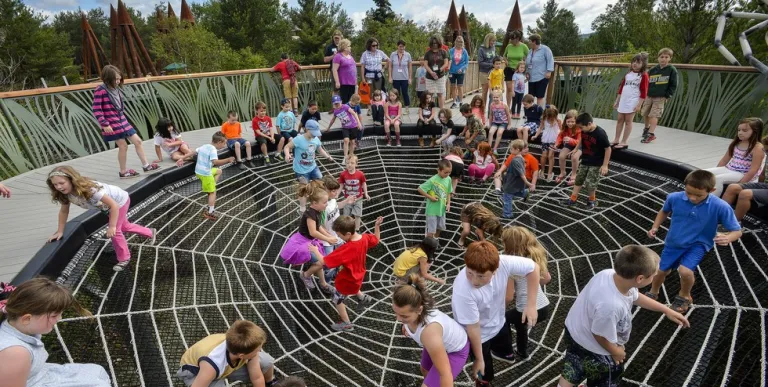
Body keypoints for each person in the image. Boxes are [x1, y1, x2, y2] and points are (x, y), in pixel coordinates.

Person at [557, 245, 690, 387]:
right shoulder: (611, 306)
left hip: (574, 333)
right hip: (597, 349)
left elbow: (635, 296)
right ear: (640, 279)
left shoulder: (608, 274)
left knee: (574, 364)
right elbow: (599, 334)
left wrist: (666, 310)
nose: (655, 276)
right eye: (654, 275)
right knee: (609, 374)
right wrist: (616, 351)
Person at [647, 169, 742, 313]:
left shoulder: (720, 206)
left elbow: (737, 231)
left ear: (712, 190)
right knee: (660, 271)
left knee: (685, 271)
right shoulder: (674, 198)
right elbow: (664, 211)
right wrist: (655, 226)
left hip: (698, 244)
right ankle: (653, 291)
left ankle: (684, 295)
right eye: (689, 193)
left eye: (699, 195)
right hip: (674, 241)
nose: (692, 198)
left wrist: (728, 237)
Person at [451, 241, 540, 386]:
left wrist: (531, 305)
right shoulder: (463, 291)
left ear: (495, 270)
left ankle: (498, 355)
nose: (474, 280)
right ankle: (481, 381)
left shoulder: (504, 263)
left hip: (498, 321)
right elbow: (473, 328)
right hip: (478, 334)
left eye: (480, 276)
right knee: (483, 370)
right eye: (469, 272)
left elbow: (534, 268)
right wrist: (479, 359)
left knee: (506, 353)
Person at [0, 278, 111, 386]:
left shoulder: (18, 326)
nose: (59, 318)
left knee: (97, 372)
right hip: (35, 381)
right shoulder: (15, 353)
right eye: (54, 315)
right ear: (26, 319)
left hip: (40, 375)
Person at [47, 166, 156, 271]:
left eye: (62, 183)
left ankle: (124, 259)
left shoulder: (91, 190)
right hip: (106, 206)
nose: (59, 187)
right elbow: (64, 211)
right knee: (124, 226)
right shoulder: (65, 194)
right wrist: (60, 231)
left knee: (115, 231)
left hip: (119, 202)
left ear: (72, 180)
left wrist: (112, 226)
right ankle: (149, 232)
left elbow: (114, 206)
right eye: (55, 185)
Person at [393, 274, 468, 386]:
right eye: (396, 312)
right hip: (436, 343)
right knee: (424, 370)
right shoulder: (416, 308)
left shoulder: (430, 333)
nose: (398, 319)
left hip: (455, 351)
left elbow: (445, 374)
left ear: (419, 310)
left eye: (404, 316)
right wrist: (406, 324)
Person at [312, 215, 382, 331]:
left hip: (346, 280)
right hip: (359, 275)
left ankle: (346, 323)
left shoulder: (347, 249)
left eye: (339, 235)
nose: (339, 237)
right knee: (354, 287)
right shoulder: (363, 238)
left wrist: (315, 251)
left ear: (348, 234)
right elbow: (376, 239)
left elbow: (324, 262)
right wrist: (377, 226)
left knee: (337, 299)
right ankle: (363, 298)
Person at [92, 65, 160, 178]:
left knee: (138, 141)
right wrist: (104, 124)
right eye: (115, 79)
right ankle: (123, 172)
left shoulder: (116, 89)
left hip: (122, 120)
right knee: (123, 146)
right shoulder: (100, 90)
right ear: (107, 78)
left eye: (119, 79)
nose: (118, 81)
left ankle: (146, 165)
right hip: (111, 123)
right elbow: (96, 109)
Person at [496, 226, 551, 361]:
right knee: (521, 325)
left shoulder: (510, 263)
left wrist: (497, 309)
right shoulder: (533, 256)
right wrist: (532, 286)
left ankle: (506, 351)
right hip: (544, 307)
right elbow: (547, 278)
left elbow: (509, 296)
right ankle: (522, 352)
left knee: (503, 319)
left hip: (526, 309)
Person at [177, 320, 278, 387]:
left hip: (225, 365)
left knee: (266, 361)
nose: (259, 351)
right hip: (196, 372)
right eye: (257, 349)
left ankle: (270, 382)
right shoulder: (212, 365)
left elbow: (257, 377)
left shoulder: (238, 345)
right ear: (242, 356)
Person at [280, 183, 336, 293]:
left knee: (320, 261)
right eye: (324, 202)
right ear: (314, 203)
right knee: (322, 262)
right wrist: (327, 239)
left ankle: (323, 283)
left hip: (310, 241)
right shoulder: (310, 214)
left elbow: (318, 226)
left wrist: (328, 235)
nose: (326, 204)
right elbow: (313, 231)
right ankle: (305, 275)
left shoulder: (318, 211)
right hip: (303, 242)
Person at [176, 132, 235, 221]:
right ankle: (210, 212)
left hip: (198, 171)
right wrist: (228, 159)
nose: (224, 145)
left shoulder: (204, 146)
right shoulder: (213, 150)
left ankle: (211, 186)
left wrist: (182, 158)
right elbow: (215, 162)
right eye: (224, 143)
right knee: (213, 193)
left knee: (219, 171)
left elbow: (192, 152)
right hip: (205, 173)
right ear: (219, 142)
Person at [705, 117, 765, 197]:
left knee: (719, 179)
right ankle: (699, 194)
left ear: (755, 132)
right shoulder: (736, 143)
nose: (740, 133)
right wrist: (716, 172)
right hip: (729, 169)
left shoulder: (757, 147)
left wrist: (741, 184)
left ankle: (711, 202)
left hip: (742, 173)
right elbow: (724, 160)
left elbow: (753, 170)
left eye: (744, 130)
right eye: (739, 130)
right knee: (703, 174)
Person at [563, 113, 612, 210]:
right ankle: (573, 199)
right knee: (579, 179)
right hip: (585, 159)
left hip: (596, 162)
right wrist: (576, 149)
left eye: (581, 127)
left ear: (589, 124)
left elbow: (608, 149)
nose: (580, 130)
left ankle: (592, 200)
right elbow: (582, 138)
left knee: (590, 183)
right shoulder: (584, 130)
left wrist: (605, 165)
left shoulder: (600, 133)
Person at [283, 120, 333, 212]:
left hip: (313, 167)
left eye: (316, 133)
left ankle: (322, 202)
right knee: (304, 189)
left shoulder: (316, 139)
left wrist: (327, 156)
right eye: (313, 133)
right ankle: (302, 208)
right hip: (301, 170)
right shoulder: (298, 139)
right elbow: (287, 147)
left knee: (322, 184)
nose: (315, 135)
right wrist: (287, 155)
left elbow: (320, 150)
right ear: (307, 129)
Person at [612, 53, 649, 149]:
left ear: (643, 64)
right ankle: (616, 139)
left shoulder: (643, 76)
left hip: (633, 101)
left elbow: (644, 92)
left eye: (638, 62)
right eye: (634, 62)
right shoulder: (628, 74)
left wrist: (639, 105)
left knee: (628, 121)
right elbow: (621, 88)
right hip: (623, 100)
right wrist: (617, 100)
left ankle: (624, 141)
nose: (635, 64)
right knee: (620, 120)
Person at [641, 48, 678, 144]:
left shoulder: (671, 70)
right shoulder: (653, 69)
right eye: (662, 57)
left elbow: (673, 84)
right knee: (645, 113)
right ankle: (646, 128)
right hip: (649, 95)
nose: (663, 59)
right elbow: (646, 81)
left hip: (660, 96)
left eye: (666, 57)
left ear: (670, 58)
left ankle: (651, 134)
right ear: (658, 58)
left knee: (654, 114)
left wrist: (667, 95)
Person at [418, 160, 453, 240]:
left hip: (442, 209)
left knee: (440, 227)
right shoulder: (432, 180)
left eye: (449, 172)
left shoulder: (448, 179)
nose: (447, 174)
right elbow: (420, 189)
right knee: (431, 231)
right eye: (445, 172)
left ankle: (435, 241)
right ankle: (428, 244)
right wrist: (430, 197)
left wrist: (448, 203)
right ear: (439, 170)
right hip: (432, 210)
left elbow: (448, 192)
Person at [498, 139, 532, 218]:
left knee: (507, 198)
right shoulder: (521, 159)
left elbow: (521, 173)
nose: (510, 150)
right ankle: (525, 193)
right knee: (514, 193)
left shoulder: (515, 161)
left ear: (517, 150)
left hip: (512, 183)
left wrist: (528, 183)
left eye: (511, 149)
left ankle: (507, 214)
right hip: (517, 183)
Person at [321, 176, 354, 255]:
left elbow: (336, 206)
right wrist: (329, 237)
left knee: (343, 256)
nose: (336, 193)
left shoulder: (332, 200)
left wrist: (346, 201)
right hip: (327, 240)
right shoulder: (322, 206)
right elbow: (320, 226)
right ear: (325, 190)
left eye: (336, 190)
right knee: (330, 264)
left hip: (338, 236)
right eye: (333, 191)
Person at [339, 155, 370, 232]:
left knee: (357, 215)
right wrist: (337, 194)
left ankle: (357, 229)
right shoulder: (343, 174)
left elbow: (363, 183)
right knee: (346, 215)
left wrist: (366, 193)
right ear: (345, 164)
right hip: (347, 199)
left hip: (358, 198)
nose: (349, 165)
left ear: (356, 164)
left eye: (352, 163)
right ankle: (346, 229)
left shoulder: (360, 174)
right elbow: (341, 184)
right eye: (348, 163)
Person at [328, 95, 362, 161]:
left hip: (353, 126)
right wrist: (328, 127)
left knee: (352, 141)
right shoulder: (335, 111)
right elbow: (332, 120)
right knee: (346, 140)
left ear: (341, 102)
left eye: (338, 103)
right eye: (335, 104)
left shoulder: (346, 107)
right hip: (345, 127)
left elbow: (354, 114)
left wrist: (359, 123)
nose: (337, 105)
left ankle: (351, 154)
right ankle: (345, 157)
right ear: (333, 104)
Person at [532, 105, 561, 181]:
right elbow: (541, 128)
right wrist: (536, 135)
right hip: (545, 138)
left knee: (551, 155)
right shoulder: (544, 119)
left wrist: (560, 139)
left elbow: (561, 130)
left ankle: (549, 173)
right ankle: (542, 170)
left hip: (554, 139)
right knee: (544, 155)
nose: (551, 118)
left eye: (552, 117)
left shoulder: (558, 120)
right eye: (549, 117)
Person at [524, 34, 554, 106]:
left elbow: (550, 60)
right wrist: (526, 72)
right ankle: (530, 111)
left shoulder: (545, 49)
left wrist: (549, 71)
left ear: (534, 41)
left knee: (540, 96)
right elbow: (528, 62)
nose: (529, 43)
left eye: (530, 41)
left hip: (541, 76)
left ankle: (538, 112)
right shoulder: (530, 51)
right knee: (531, 96)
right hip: (531, 77)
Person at [360, 37, 389, 112]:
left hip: (378, 76)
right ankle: (370, 108)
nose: (375, 47)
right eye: (373, 45)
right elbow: (362, 66)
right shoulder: (365, 54)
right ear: (369, 45)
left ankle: (379, 107)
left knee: (378, 92)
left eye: (376, 45)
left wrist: (383, 69)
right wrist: (363, 78)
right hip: (369, 76)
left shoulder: (380, 52)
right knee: (369, 92)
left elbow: (388, 60)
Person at [555, 109, 582, 185]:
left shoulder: (579, 129)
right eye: (568, 122)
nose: (570, 124)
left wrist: (571, 140)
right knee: (561, 156)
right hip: (570, 143)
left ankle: (574, 174)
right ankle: (563, 172)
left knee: (574, 157)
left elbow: (579, 141)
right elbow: (560, 136)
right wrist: (556, 144)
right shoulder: (565, 128)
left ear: (576, 121)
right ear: (565, 121)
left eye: (572, 122)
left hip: (579, 145)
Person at [503, 30, 529, 108]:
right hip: (509, 69)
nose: (511, 40)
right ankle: (508, 106)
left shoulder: (523, 46)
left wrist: (524, 63)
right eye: (510, 38)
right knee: (509, 88)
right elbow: (504, 55)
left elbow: (529, 56)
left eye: (512, 39)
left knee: (516, 88)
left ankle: (515, 107)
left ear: (518, 38)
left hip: (518, 71)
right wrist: (506, 60)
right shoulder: (509, 46)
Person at [423, 36, 449, 109]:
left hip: (440, 76)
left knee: (440, 93)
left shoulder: (443, 52)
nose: (435, 44)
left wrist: (440, 69)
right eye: (433, 43)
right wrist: (431, 72)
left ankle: (442, 110)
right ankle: (428, 109)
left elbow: (446, 63)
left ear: (439, 43)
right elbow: (425, 64)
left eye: (436, 43)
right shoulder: (428, 53)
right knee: (429, 94)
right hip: (430, 76)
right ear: (431, 43)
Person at [332, 38, 357, 103]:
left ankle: (351, 113)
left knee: (352, 101)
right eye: (349, 46)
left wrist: (355, 79)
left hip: (352, 82)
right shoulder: (338, 56)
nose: (350, 47)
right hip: (344, 83)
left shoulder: (350, 56)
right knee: (345, 101)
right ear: (344, 47)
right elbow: (334, 69)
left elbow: (353, 68)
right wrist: (337, 82)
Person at [389, 40, 413, 108]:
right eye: (400, 46)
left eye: (403, 46)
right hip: (395, 77)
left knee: (405, 93)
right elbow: (390, 66)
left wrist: (410, 78)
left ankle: (407, 107)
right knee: (396, 93)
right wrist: (390, 77)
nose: (401, 48)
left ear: (405, 47)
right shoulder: (393, 54)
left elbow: (410, 67)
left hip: (405, 78)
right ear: (397, 46)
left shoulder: (408, 55)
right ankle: (396, 107)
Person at [487, 89, 512, 154]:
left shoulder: (504, 105)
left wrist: (509, 124)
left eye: (497, 97)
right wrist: (489, 124)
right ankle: (489, 147)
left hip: (503, 122)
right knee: (490, 132)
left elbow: (508, 115)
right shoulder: (492, 105)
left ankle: (495, 148)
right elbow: (491, 115)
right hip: (495, 122)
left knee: (499, 133)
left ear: (500, 97)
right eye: (494, 97)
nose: (495, 99)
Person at [448, 36, 469, 109]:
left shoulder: (464, 51)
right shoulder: (451, 51)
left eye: (461, 42)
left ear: (462, 43)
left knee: (460, 86)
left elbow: (466, 62)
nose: (459, 43)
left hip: (460, 71)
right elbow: (448, 59)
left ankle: (460, 102)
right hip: (452, 71)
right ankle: (454, 102)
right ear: (455, 42)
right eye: (458, 41)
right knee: (453, 86)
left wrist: (462, 68)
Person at [477, 33, 498, 105]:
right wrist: (491, 65)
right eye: (492, 41)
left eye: (494, 41)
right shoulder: (481, 49)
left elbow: (494, 57)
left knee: (493, 91)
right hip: (484, 73)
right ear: (488, 40)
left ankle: (492, 109)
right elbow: (480, 62)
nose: (494, 43)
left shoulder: (493, 47)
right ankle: (483, 109)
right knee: (485, 91)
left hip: (493, 72)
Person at [324, 30, 343, 100]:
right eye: (335, 38)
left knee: (344, 89)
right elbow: (325, 60)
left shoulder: (344, 47)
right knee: (336, 89)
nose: (337, 39)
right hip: (335, 71)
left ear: (341, 37)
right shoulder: (329, 47)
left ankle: (344, 106)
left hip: (344, 71)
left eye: (338, 37)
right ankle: (335, 106)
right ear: (333, 38)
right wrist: (333, 56)